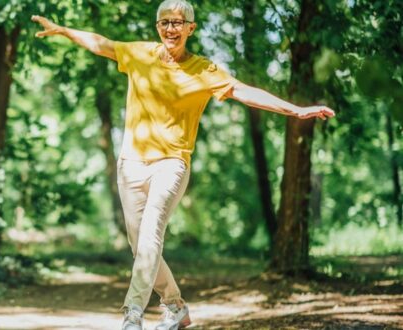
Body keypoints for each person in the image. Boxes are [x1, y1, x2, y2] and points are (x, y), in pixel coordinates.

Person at [31, 0, 335, 329]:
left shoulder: (204, 71)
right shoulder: (139, 54)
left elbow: (246, 91)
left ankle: (132, 314)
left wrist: (296, 110)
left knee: (150, 238)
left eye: (178, 22)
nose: (170, 29)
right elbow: (100, 42)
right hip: (130, 164)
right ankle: (175, 307)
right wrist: (64, 31)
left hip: (171, 164)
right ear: (157, 27)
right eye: (164, 22)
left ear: (191, 28)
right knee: (139, 246)